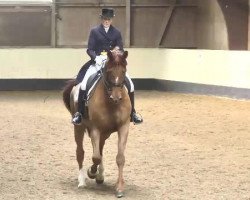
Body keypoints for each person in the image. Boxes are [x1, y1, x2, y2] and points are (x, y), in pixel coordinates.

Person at [72, 8, 143, 125]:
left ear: (111, 19)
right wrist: (96, 58)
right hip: (98, 62)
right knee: (84, 84)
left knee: (131, 85)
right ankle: (79, 113)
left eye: (109, 19)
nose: (106, 21)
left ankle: (133, 113)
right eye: (105, 19)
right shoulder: (94, 31)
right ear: (102, 19)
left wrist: (117, 52)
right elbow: (89, 49)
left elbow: (120, 48)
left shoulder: (116, 32)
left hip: (113, 63)